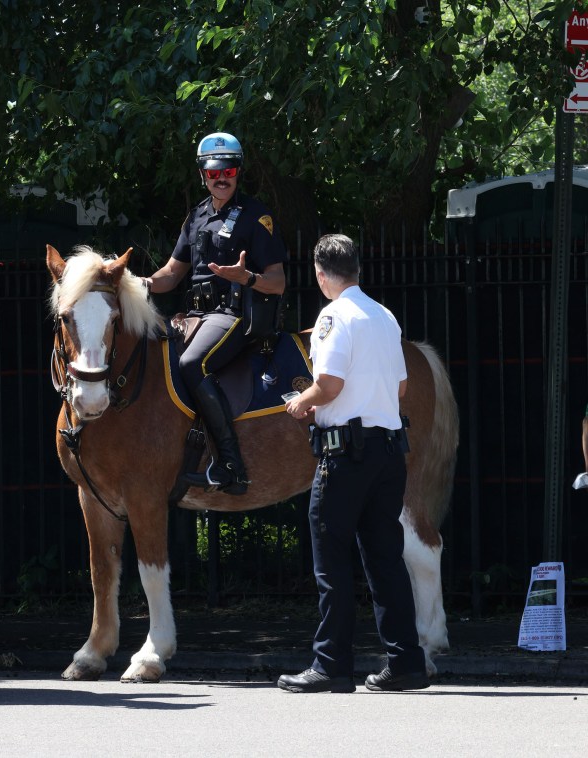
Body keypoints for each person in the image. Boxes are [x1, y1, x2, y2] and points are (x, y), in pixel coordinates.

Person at [278, 233, 428, 693]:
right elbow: (401, 389)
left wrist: (300, 402)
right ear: (357, 269)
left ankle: (331, 665)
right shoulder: (385, 316)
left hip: (345, 455)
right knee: (385, 560)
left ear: (322, 275)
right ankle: (405, 662)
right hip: (388, 453)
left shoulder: (332, 315)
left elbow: (329, 384)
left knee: (332, 562)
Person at [142, 132, 287, 495]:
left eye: (229, 171)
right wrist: (137, 283)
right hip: (193, 316)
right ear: (202, 175)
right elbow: (172, 274)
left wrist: (247, 277)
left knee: (191, 364)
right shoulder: (195, 217)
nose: (221, 179)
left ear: (239, 172)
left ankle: (230, 463)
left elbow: (278, 282)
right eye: (213, 173)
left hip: (233, 315)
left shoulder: (257, 216)